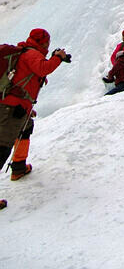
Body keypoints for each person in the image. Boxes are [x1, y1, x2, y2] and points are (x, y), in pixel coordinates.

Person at [0, 28, 68, 210]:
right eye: (47, 42)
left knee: (26, 128)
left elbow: (31, 76)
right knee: (2, 148)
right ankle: (17, 166)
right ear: (43, 42)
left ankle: (19, 166)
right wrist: (58, 58)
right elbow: (43, 68)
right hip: (11, 108)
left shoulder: (28, 53)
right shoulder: (32, 54)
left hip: (18, 107)